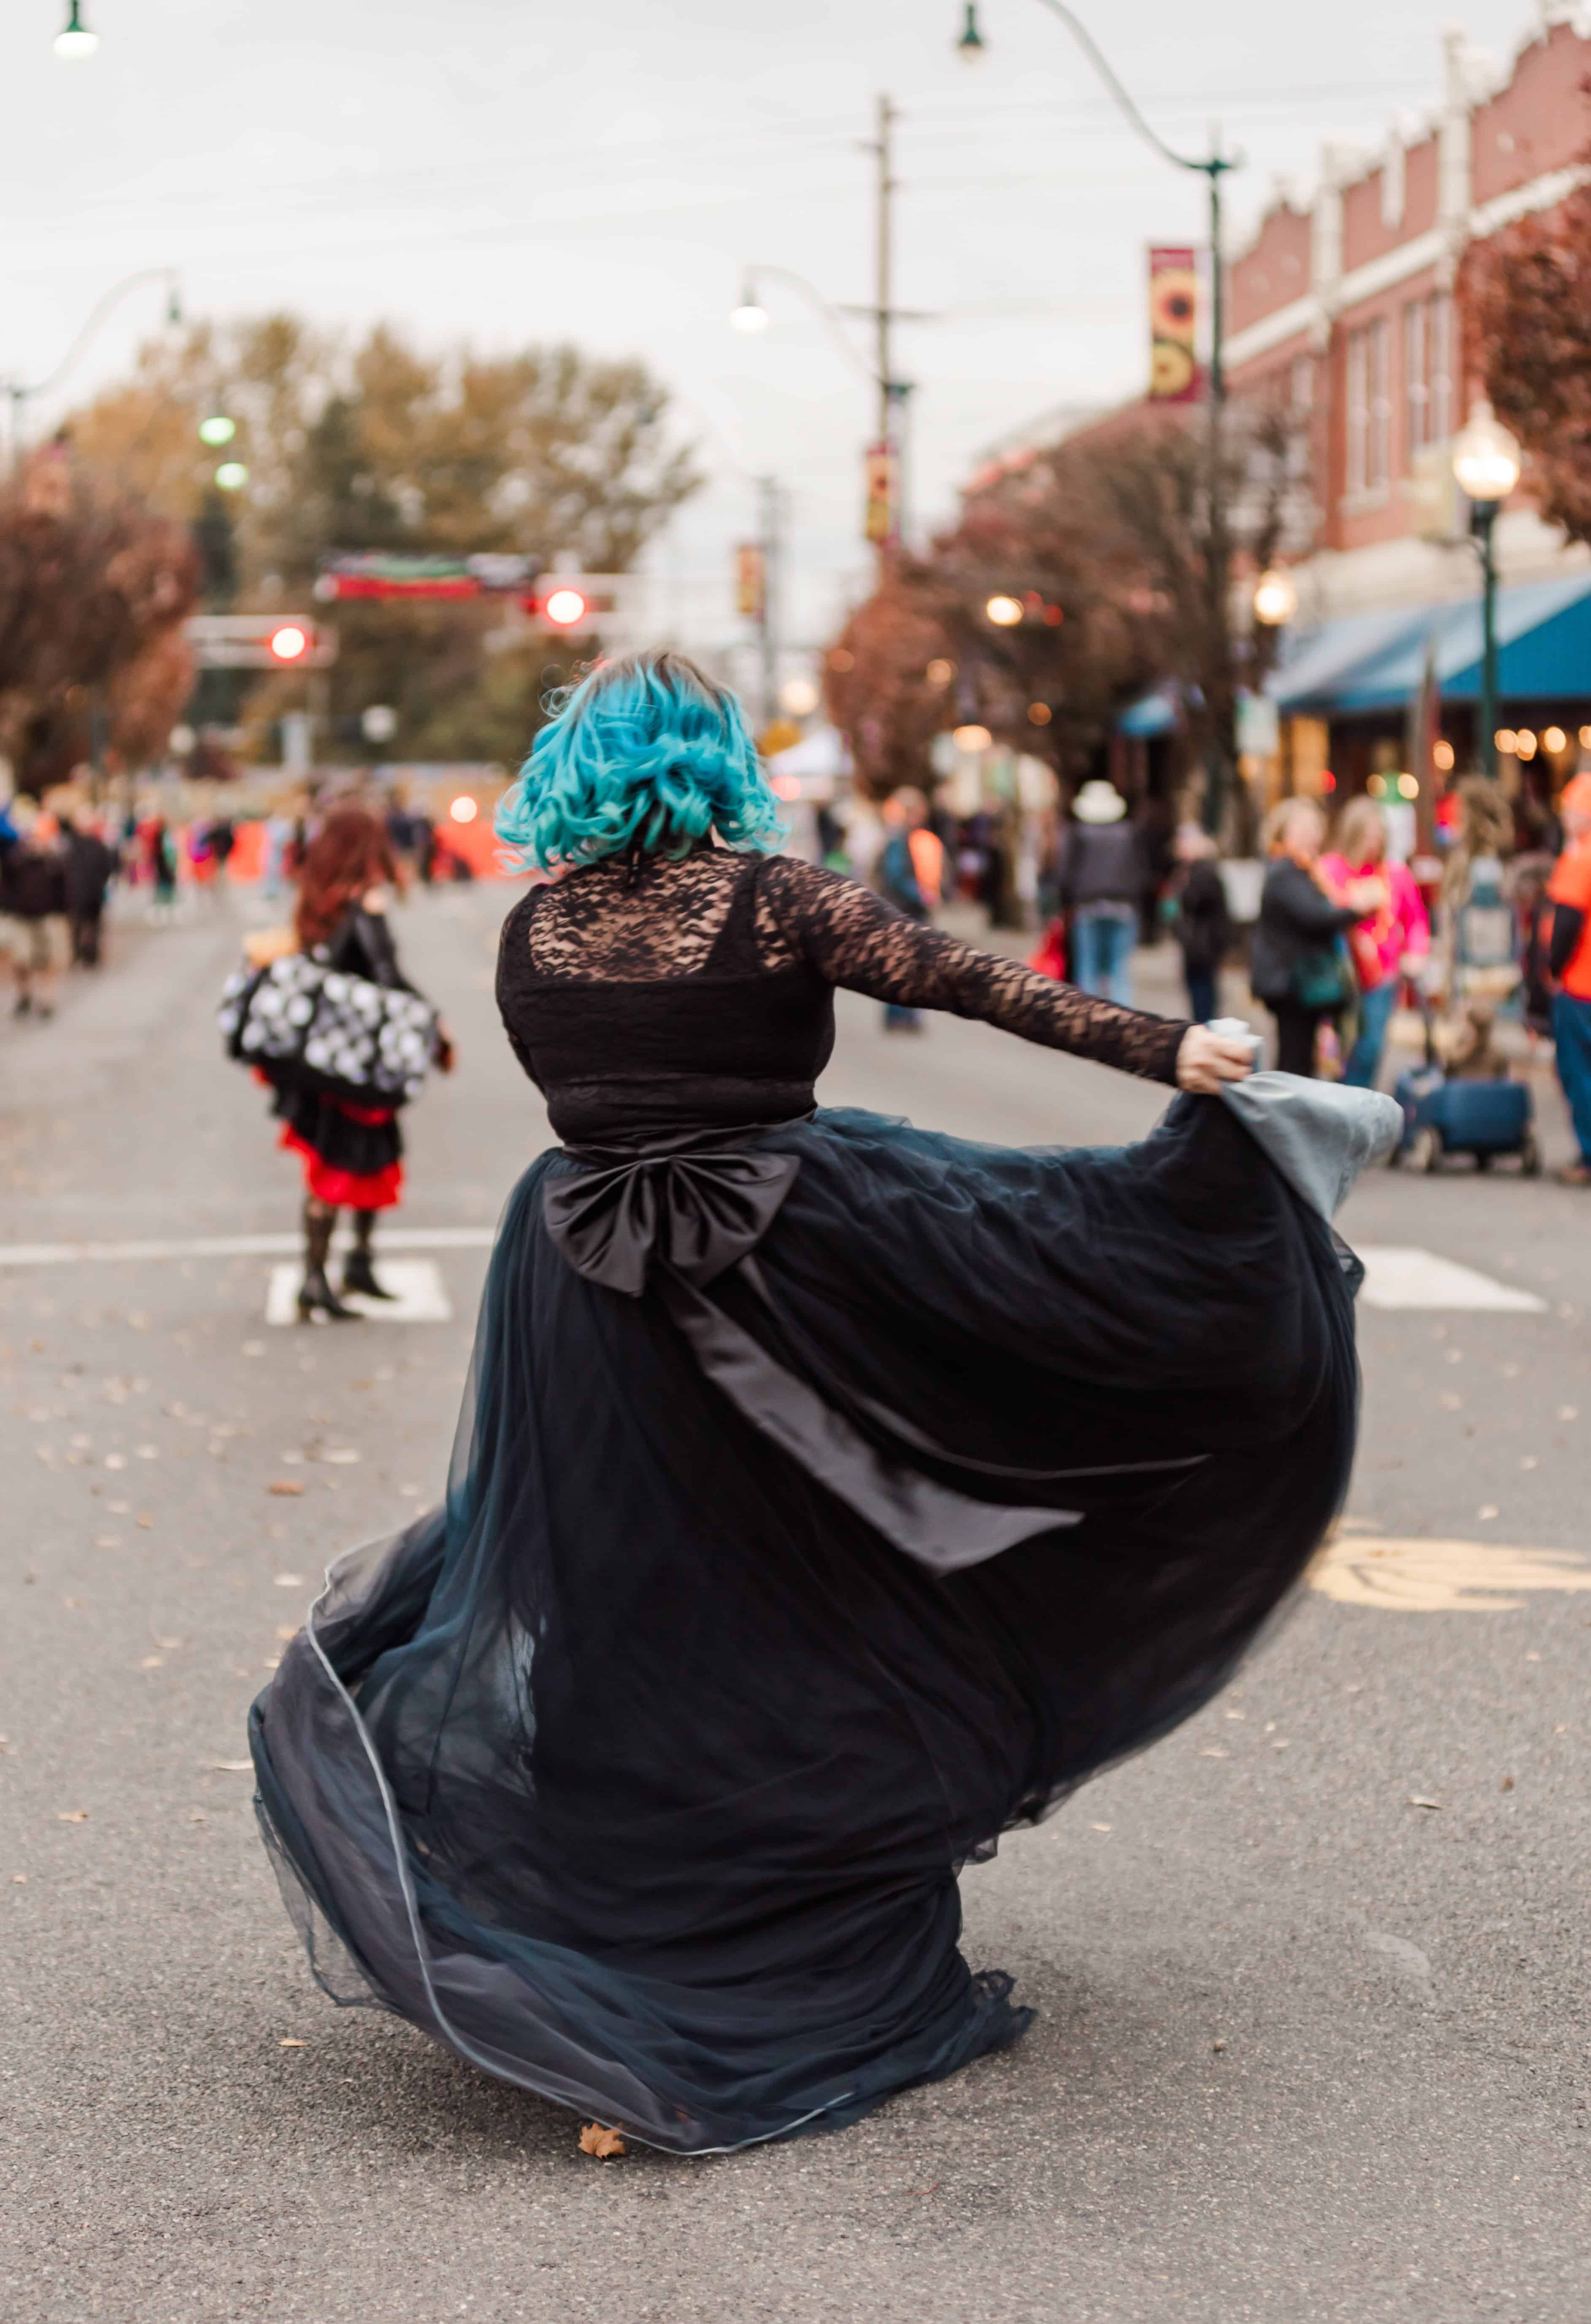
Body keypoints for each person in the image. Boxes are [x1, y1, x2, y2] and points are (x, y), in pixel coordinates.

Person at [249, 650, 1396, 2159]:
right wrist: (1163, 1047)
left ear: (575, 769)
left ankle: (624, 1903)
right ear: (710, 760)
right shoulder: (776, 898)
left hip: (587, 1283)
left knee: (623, 1589)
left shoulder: (537, 927)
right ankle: (785, 1891)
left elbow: (600, 1099)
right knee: (821, 1571)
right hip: (786, 1260)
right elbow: (967, 980)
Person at [252, 805, 445, 1319]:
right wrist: (433, 1023)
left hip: (324, 1056)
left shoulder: (316, 900)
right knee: (351, 1160)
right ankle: (324, 1277)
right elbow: (388, 975)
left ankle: (340, 1270)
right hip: (362, 1058)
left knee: (345, 1160)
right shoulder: (363, 903)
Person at [1251, 798, 1383, 1077]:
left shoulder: (1303, 870)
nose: (1311, 834)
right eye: (1304, 828)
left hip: (1298, 984)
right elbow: (1316, 916)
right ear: (1284, 832)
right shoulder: (1286, 871)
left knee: (1301, 1057)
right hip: (1291, 984)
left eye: (1315, 828)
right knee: (1294, 1061)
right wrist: (1357, 907)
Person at [1320, 795, 1430, 1088]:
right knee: (1336, 1049)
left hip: (1381, 978)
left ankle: (1357, 1101)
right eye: (1368, 835)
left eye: (1379, 835)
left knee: (1370, 1047)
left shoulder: (1396, 874)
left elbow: (1416, 920)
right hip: (1338, 977)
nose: (1374, 843)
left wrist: (1416, 952)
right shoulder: (1330, 870)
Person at [1544, 773, 1591, 1186]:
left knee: (1580, 1074)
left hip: (1581, 987)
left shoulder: (1580, 859)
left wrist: (1552, 970)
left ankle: (1589, 1156)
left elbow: (1566, 924)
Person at [1059, 780, 1143, 1005]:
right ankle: (1124, 1018)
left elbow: (1066, 874)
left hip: (1088, 904)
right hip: (1123, 905)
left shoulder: (1078, 833)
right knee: (1118, 970)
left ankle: (1090, 1017)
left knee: (1088, 967)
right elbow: (1139, 872)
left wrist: (1064, 905)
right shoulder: (1128, 833)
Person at [874, 787, 942, 1031]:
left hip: (904, 909)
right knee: (903, 963)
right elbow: (896, 877)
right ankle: (900, 1015)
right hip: (902, 910)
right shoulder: (898, 839)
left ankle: (905, 1014)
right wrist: (922, 896)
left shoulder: (908, 837)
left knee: (910, 963)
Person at [1, 803, 68, 1018]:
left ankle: (47, 998)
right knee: (21, 959)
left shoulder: (54, 860)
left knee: (48, 960)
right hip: (21, 916)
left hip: (48, 916)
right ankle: (25, 994)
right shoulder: (14, 858)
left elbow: (64, 888)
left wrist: (65, 913)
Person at [1166, 822, 1232, 1026]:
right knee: (1199, 998)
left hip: (1203, 947)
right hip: (1197, 945)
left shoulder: (1204, 871)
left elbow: (1192, 900)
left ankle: (1206, 1033)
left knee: (1204, 1001)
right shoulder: (1192, 870)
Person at [61, 810, 117, 966]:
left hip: (85, 893)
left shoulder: (76, 846)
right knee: (84, 925)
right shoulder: (76, 846)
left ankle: (85, 954)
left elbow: (107, 868)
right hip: (83, 892)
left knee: (84, 925)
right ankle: (84, 954)